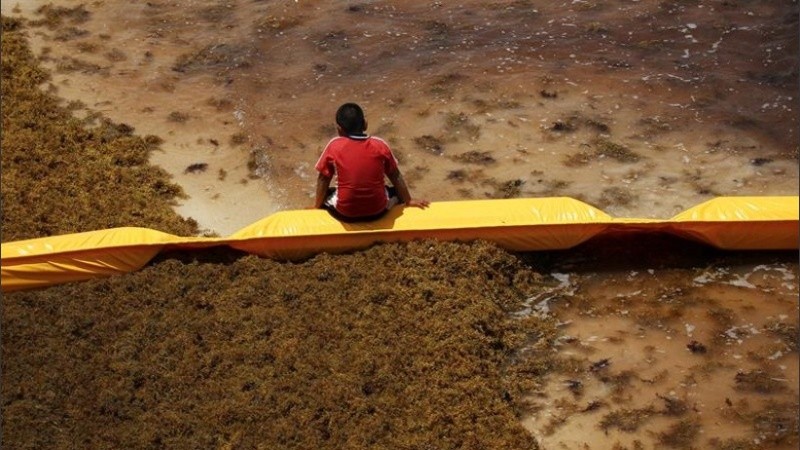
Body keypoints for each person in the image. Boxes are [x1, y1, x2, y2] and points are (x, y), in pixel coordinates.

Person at [313, 103, 429, 221]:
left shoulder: (334, 146)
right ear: (365, 124)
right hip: (378, 212)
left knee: (327, 193)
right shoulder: (379, 145)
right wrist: (409, 200)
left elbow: (323, 179)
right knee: (394, 191)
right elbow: (395, 175)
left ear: (339, 130)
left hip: (345, 214)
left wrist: (317, 206)